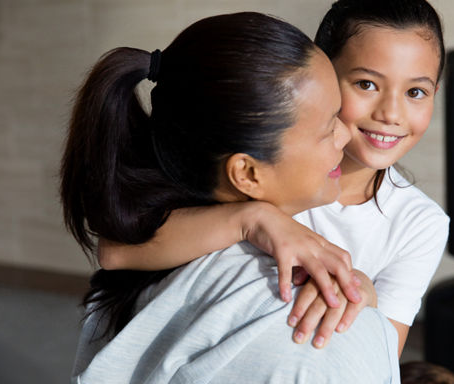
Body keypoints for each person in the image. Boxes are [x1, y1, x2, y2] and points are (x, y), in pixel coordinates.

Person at [63, 12, 400, 383]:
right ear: (247, 173)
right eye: (327, 128)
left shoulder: (151, 255)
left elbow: (113, 251)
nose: (344, 136)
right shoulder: (322, 334)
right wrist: (252, 219)